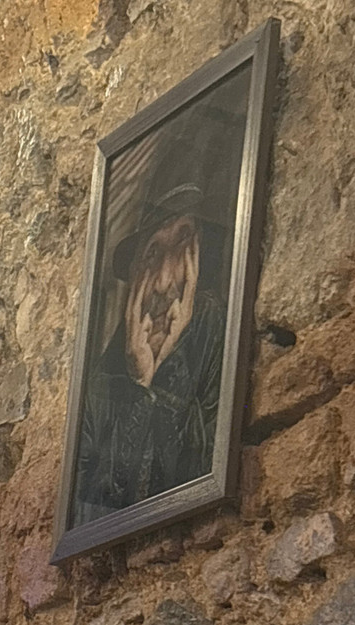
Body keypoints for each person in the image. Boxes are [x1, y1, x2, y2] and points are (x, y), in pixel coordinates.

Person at [73, 127, 231, 524]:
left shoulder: (215, 330)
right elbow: (98, 507)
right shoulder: (102, 382)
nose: (163, 283)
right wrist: (140, 384)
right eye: (153, 252)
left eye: (182, 243)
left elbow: (194, 470)